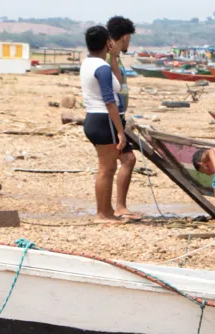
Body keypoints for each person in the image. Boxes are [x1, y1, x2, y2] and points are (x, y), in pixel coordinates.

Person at [80, 25, 132, 223]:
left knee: (115, 164)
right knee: (106, 168)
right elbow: (110, 100)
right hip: (104, 121)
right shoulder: (100, 68)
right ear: (107, 42)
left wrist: (113, 58)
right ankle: (103, 213)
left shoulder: (91, 63)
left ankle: (108, 210)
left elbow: (116, 82)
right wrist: (120, 131)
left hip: (95, 119)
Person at [105, 15, 139, 220]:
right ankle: (118, 207)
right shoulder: (109, 58)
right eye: (130, 39)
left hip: (117, 116)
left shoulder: (114, 57)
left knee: (114, 162)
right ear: (125, 37)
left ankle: (114, 207)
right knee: (126, 159)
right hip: (112, 117)